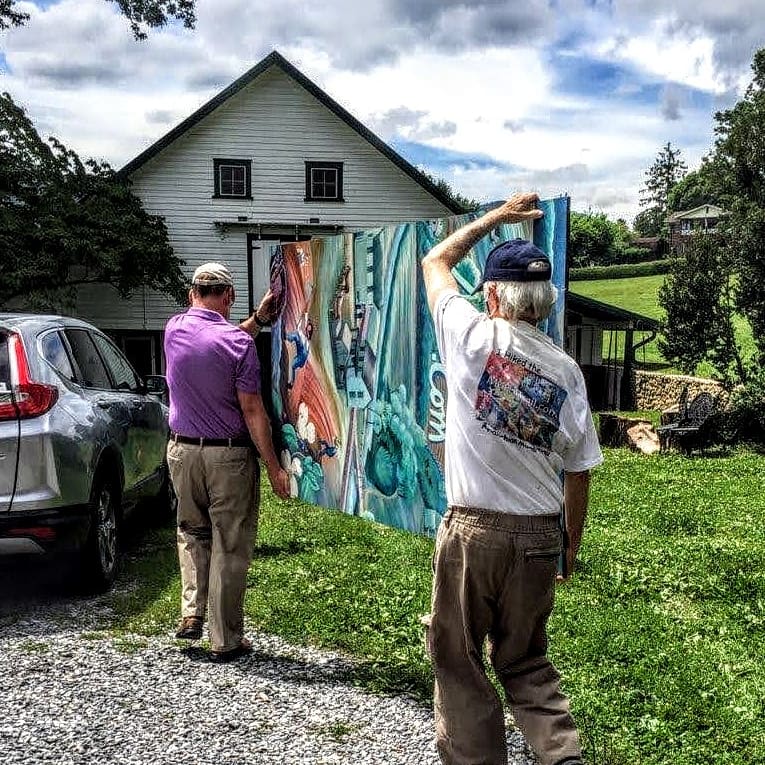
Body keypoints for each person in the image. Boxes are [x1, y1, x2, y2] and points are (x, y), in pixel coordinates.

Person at [420, 193, 603, 765]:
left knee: (459, 653)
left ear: (494, 295)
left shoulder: (471, 336)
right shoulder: (568, 371)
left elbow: (435, 262)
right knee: (525, 658)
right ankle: (561, 754)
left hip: (473, 532)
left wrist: (498, 217)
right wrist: (570, 544)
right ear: (545, 303)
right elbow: (579, 469)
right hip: (540, 536)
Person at [164, 262, 290, 663]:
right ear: (229, 296)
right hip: (228, 456)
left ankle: (191, 612)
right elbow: (253, 411)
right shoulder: (239, 346)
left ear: (191, 295)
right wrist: (273, 466)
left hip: (182, 452)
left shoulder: (173, 330)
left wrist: (256, 319)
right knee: (229, 544)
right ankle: (225, 638)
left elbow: (213, 340)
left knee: (191, 532)